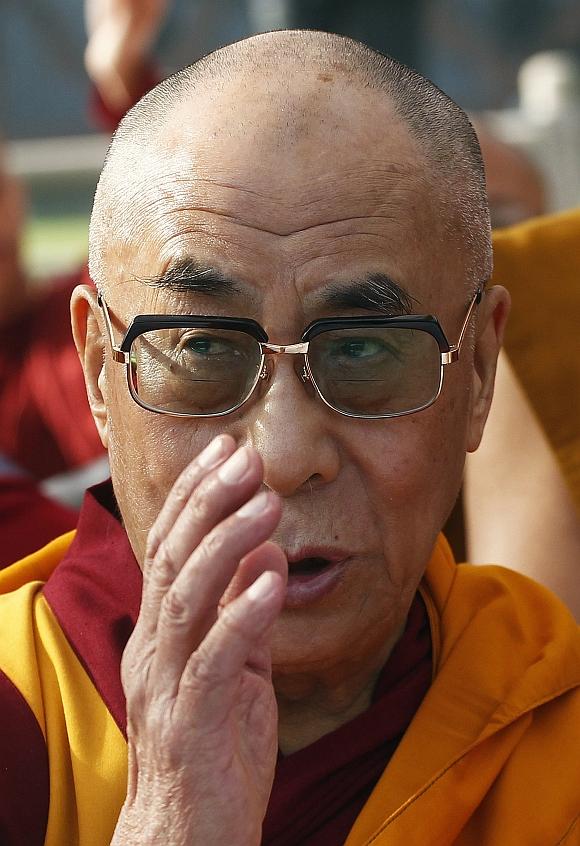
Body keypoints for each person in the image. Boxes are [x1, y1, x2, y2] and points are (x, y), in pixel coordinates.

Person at [1, 31, 579, 846]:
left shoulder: (553, 735)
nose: (280, 455)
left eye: (362, 350)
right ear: (99, 372)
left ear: (479, 368)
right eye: (202, 348)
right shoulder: (15, 709)